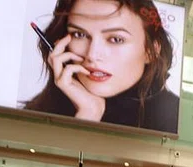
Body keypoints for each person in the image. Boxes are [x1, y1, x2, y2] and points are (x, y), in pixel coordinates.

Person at [24, 0, 179, 133]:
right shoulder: (40, 111)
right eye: (80, 34)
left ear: (151, 51)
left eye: (116, 39)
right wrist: (88, 113)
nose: (92, 55)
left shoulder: (171, 120)